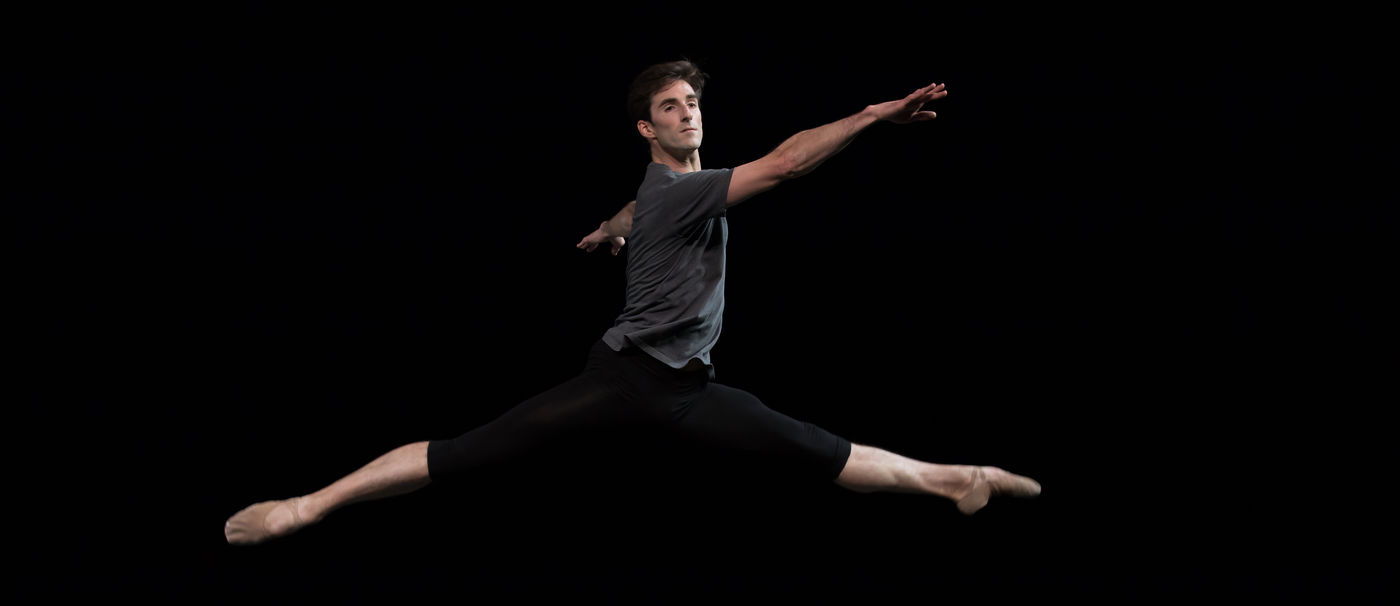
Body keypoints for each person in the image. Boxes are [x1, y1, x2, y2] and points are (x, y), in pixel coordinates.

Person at [224, 61, 1039, 546]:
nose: (688, 113)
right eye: (670, 107)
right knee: (463, 454)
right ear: (647, 129)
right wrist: (874, 115)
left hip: (686, 390)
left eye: (693, 102)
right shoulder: (683, 192)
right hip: (624, 380)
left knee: (818, 451)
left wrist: (609, 230)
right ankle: (304, 507)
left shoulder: (666, 190)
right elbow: (790, 163)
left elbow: (637, 208)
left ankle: (955, 480)